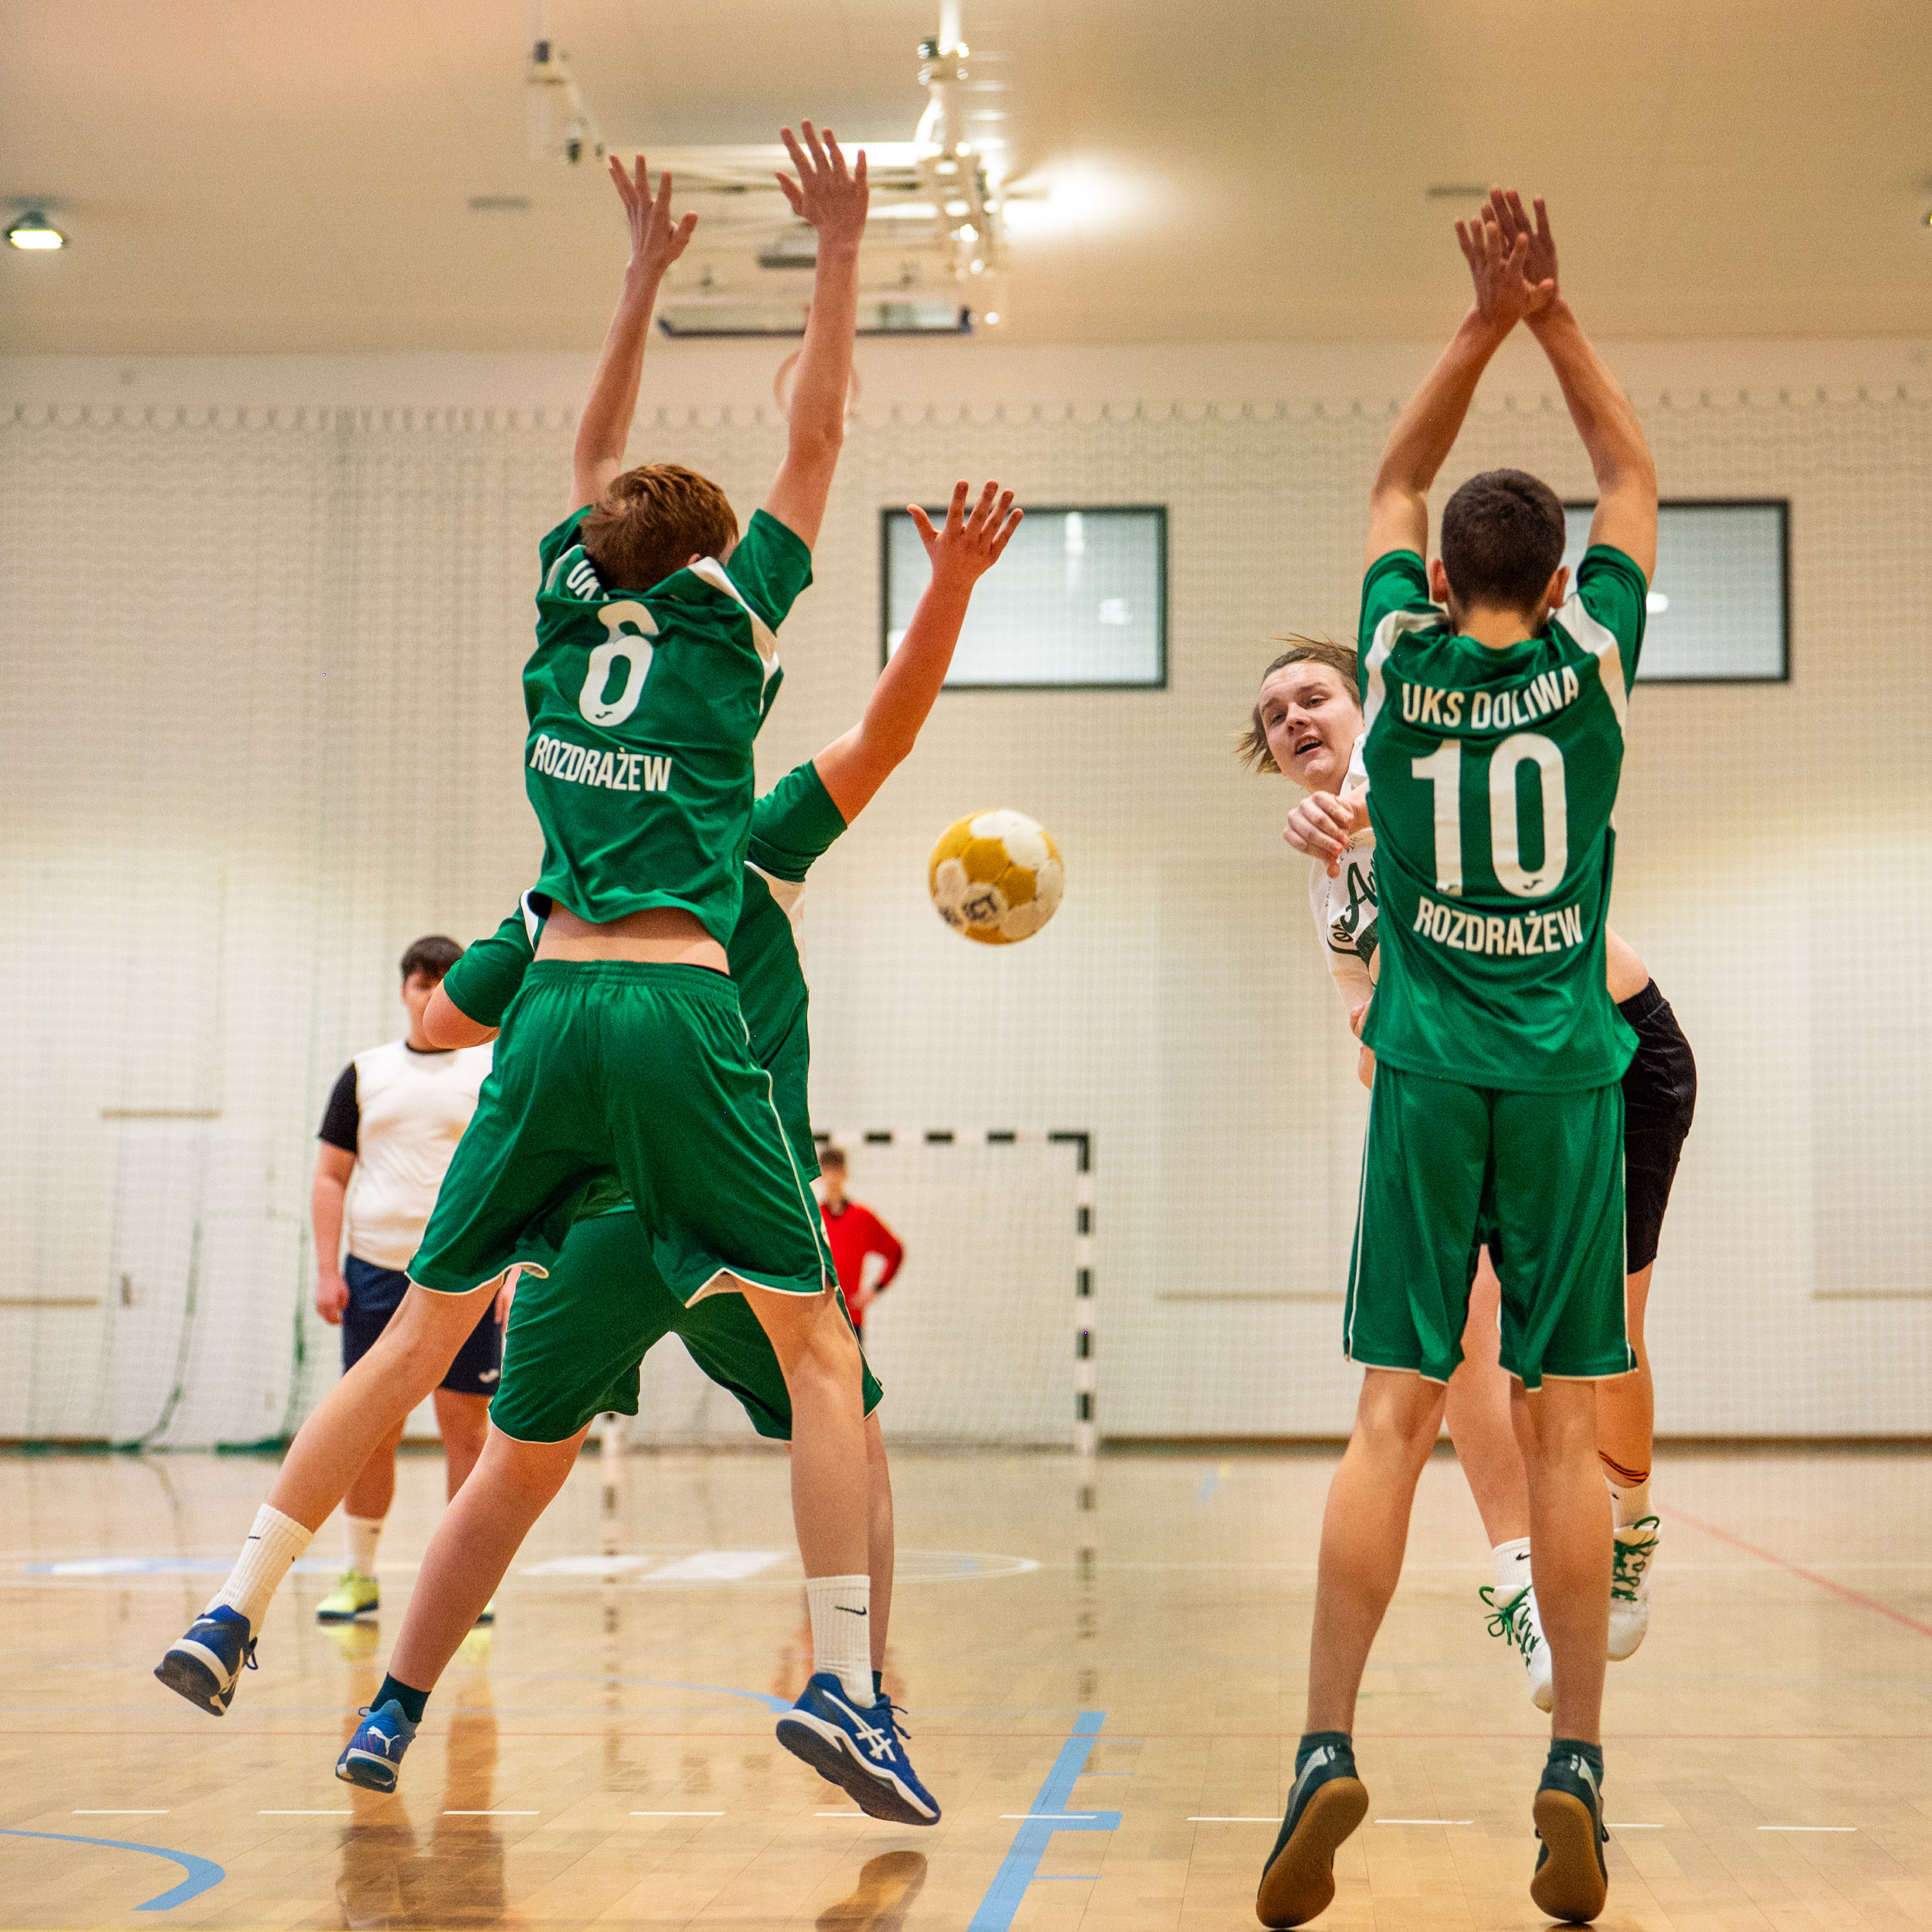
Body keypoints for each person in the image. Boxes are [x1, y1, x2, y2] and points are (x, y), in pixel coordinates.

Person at [155, 126, 867, 1764]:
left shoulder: (563, 593)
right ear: (709, 560)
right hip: (672, 1001)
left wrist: (639, 276)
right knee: (816, 1342)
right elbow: (816, 434)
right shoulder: (728, 618)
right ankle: (846, 1677)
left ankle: (234, 1602)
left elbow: (591, 446)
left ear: (600, 543)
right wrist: (834, 251)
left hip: (542, 1003)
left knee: (417, 1330)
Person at [332, 477, 1020, 1818]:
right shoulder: (755, 842)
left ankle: (391, 1710)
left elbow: (444, 1020)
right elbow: (883, 734)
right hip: (727, 1201)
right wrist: (945, 592)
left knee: (516, 1468)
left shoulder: (563, 892)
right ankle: (857, 1694)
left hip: (592, 1218)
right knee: (843, 1416)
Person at [1254, 190, 1659, 1930]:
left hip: (1421, 1073)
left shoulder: (1399, 662)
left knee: (1390, 1419)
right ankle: (1573, 1757)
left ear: (1432, 584)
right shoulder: (1593, 660)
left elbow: (1393, 476)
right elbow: (1626, 469)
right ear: (1560, 584)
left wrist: (1478, 321)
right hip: (1566, 1073)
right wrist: (1551, 317)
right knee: (1562, 1435)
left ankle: (1322, 1744)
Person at [1243, 640, 1694, 1707]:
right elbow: (1363, 1026)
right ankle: (1523, 1580)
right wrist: (1391, 1034)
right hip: (1476, 1086)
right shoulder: (1329, 890)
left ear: (1366, 705)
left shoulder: (1417, 754)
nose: (1294, 718)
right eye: (1273, 715)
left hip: (1614, 1057)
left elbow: (1420, 798)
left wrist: (1356, 819)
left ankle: (1630, 1525)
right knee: (1465, 1336)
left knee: (1605, 1337)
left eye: (1314, 696)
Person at [307, 936, 503, 1625]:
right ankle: (360, 1576)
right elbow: (330, 1177)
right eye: (423, 983)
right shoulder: (363, 1075)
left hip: (467, 1274)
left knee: (466, 1429)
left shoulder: (493, 1069)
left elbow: (516, 1178)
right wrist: (327, 1270)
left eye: (447, 982)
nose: (432, 994)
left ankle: (467, 1585)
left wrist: (512, 1272)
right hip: (374, 1275)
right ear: (404, 991)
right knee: (371, 1429)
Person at [817, 1147, 904, 1334]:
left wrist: (875, 1289)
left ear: (844, 1173)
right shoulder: (814, 1216)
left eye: (836, 1170)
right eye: (827, 1171)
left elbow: (896, 1252)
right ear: (821, 1175)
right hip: (819, 1317)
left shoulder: (862, 1217)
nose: (832, 1178)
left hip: (851, 1317)